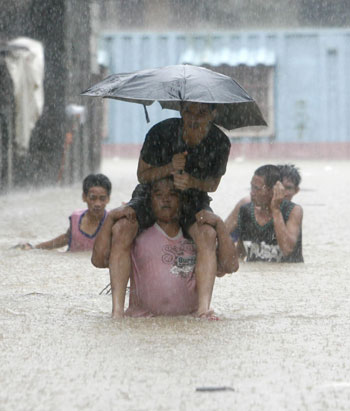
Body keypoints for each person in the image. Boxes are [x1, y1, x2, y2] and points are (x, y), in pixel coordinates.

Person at [92, 102, 231, 318]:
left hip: (192, 197)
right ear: (181, 111)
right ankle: (117, 311)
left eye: (201, 113)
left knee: (207, 233)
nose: (194, 118)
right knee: (122, 228)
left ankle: (203, 308)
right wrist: (169, 168)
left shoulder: (220, 142)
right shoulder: (160, 131)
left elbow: (212, 185)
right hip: (152, 194)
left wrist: (192, 182)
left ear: (213, 114)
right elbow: (142, 175)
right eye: (189, 112)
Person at [108, 177, 238, 318]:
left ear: (182, 201)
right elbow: (98, 260)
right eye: (159, 195)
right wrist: (110, 218)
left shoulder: (200, 238)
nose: (166, 200)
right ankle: (117, 313)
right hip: (142, 319)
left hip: (189, 320)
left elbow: (230, 267)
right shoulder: (134, 235)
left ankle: (203, 310)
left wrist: (219, 224)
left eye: (172, 194)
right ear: (150, 201)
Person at [225, 165, 303, 263]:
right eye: (252, 187)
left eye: (256, 189)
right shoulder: (246, 209)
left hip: (286, 275)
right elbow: (240, 253)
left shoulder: (293, 211)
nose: (251, 193)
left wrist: (275, 210)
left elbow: (287, 249)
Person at [16, 174, 111, 251]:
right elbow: (66, 238)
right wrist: (35, 248)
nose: (97, 204)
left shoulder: (112, 222)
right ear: (84, 197)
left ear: (108, 199)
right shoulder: (76, 220)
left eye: (102, 199)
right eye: (92, 198)